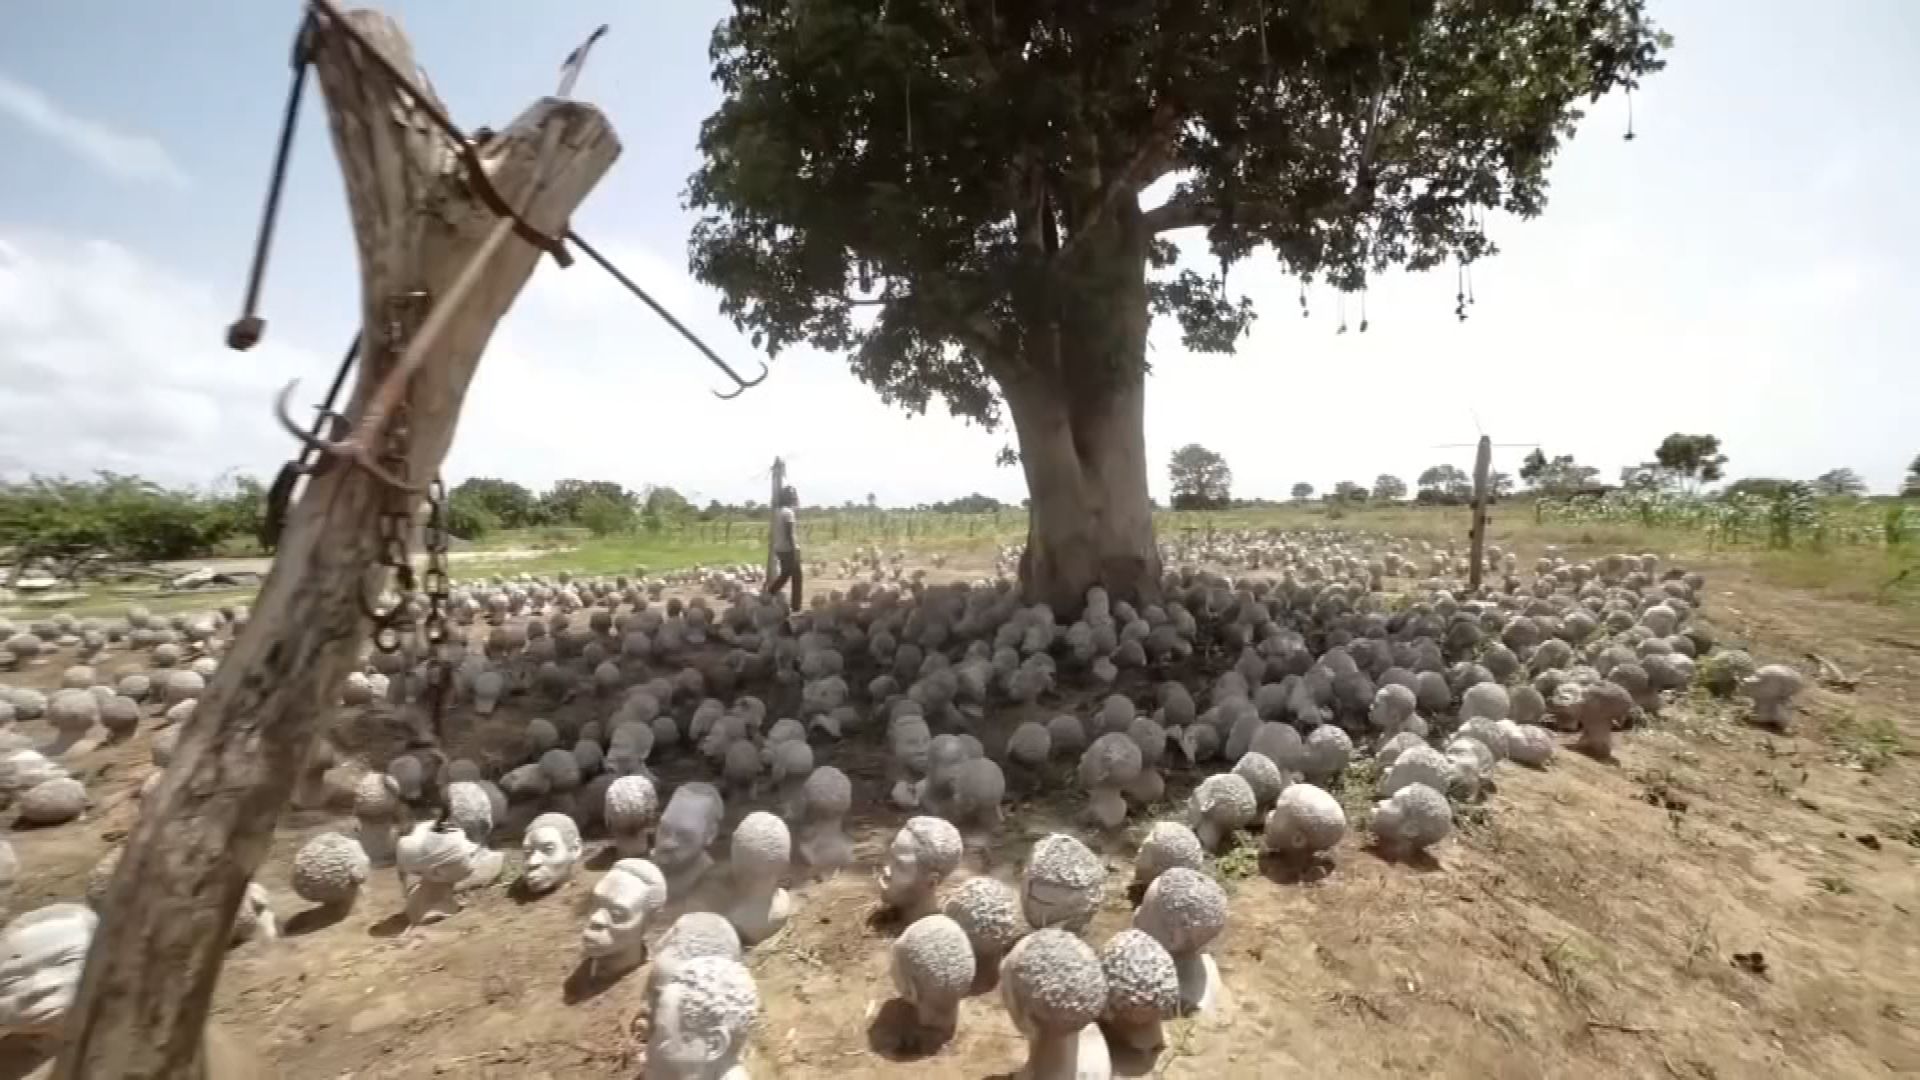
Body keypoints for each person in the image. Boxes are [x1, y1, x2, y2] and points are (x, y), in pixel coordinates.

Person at [766, 485, 802, 611]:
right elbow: (790, 534)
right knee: (794, 577)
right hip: (788, 549)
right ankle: (795, 606)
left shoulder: (778, 511)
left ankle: (769, 595)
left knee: (786, 574)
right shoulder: (788, 513)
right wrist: (794, 551)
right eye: (793, 495)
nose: (794, 497)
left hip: (779, 548)